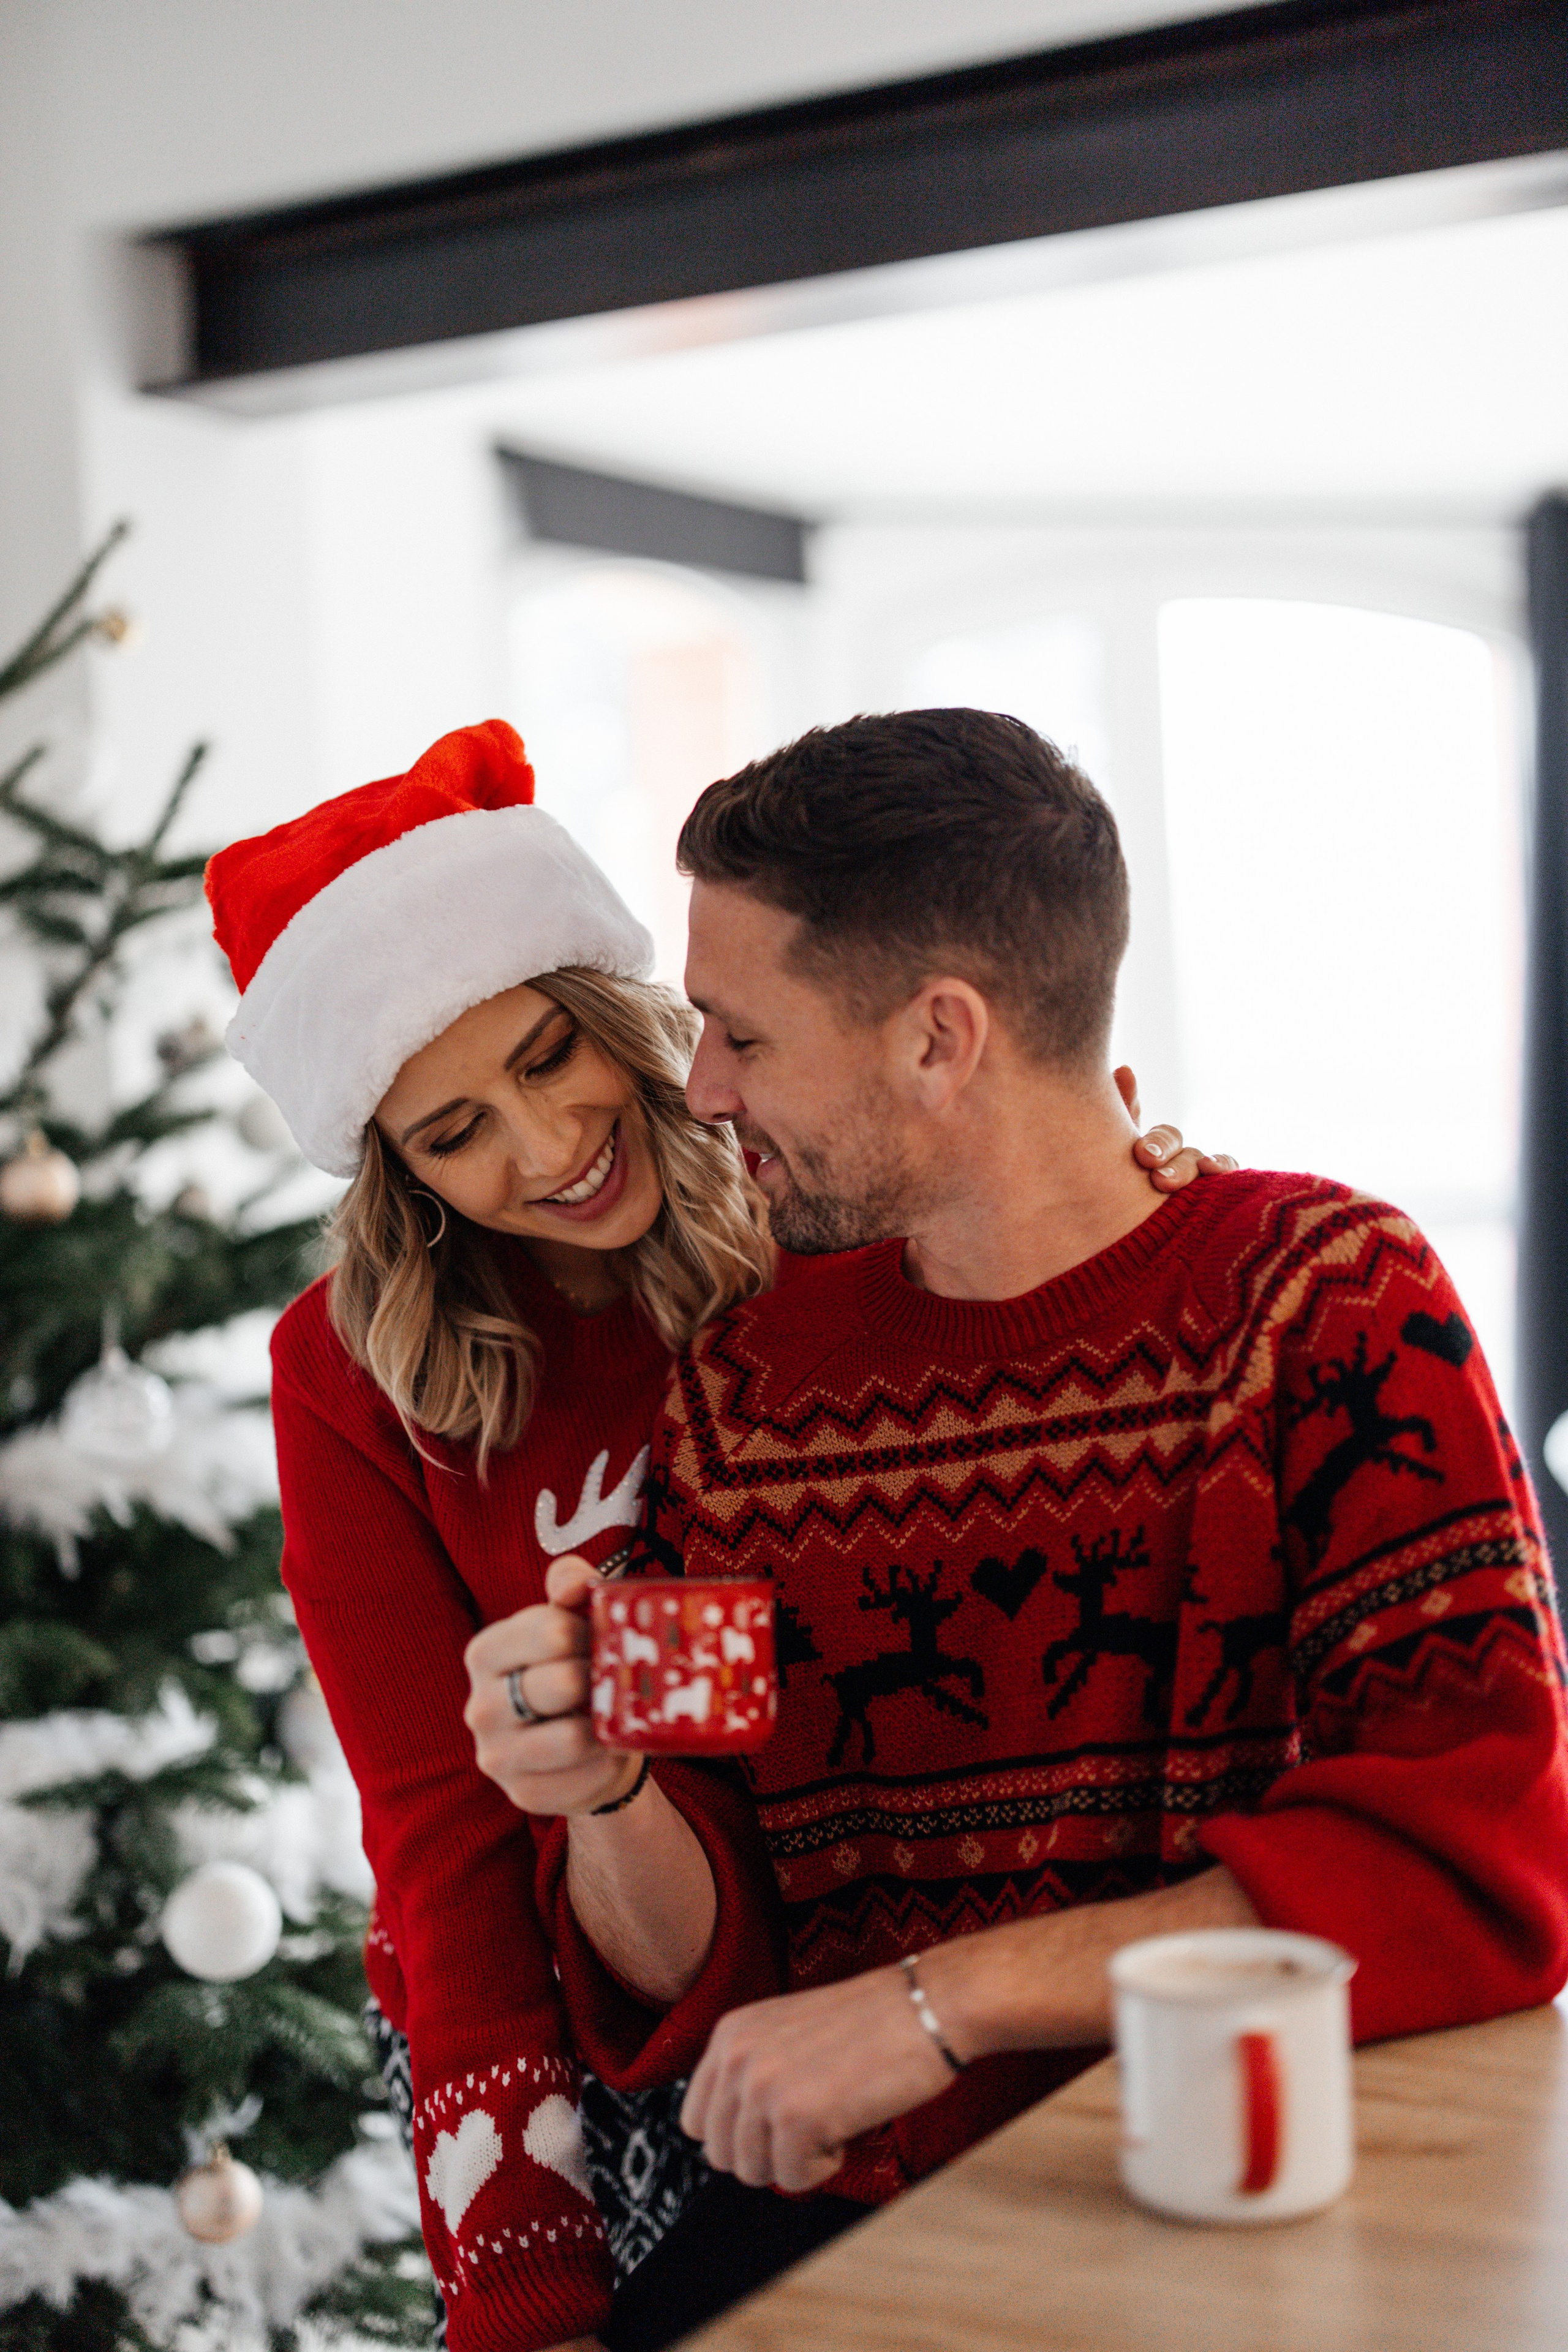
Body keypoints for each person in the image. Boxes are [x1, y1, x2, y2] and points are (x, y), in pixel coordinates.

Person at [472, 707, 1568, 2352]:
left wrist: (945, 2006)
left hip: (1236, 2209)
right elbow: (708, 1942)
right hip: (847, 2238)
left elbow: (1481, 1854)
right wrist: (605, 1787)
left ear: (938, 1038)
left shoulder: (1331, 1306)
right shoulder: (746, 1395)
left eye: (743, 1037)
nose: (697, 1093)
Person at [205, 716, 1215, 2352]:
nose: (542, 1152)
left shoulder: (815, 1216)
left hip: (910, 1976)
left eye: (550, 1058)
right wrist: (520, 2282)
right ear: (391, 1164)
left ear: (624, 1011)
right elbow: (445, 1845)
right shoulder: (348, 1376)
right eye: (452, 1133)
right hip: (599, 2027)